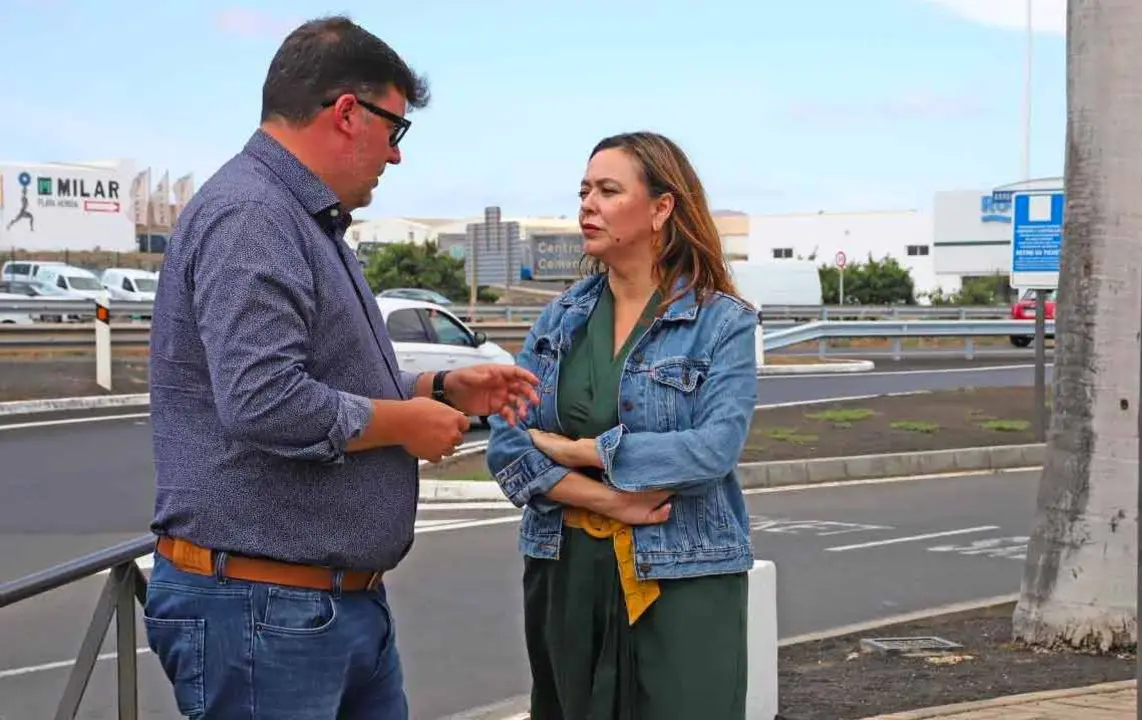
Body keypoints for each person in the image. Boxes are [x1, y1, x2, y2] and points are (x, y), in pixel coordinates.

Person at [144, 16, 539, 720]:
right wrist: (404, 422)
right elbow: (262, 401)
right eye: (396, 131)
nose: (395, 157)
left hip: (312, 604)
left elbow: (315, 380)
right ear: (348, 112)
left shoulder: (298, 217)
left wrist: (439, 388)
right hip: (267, 610)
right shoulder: (253, 216)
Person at [485, 131, 760, 719]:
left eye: (608, 190)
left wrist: (584, 451)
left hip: (683, 574)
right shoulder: (560, 320)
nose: (587, 204)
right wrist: (614, 502)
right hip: (566, 573)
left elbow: (714, 450)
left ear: (662, 208)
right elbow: (507, 441)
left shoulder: (722, 323)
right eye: (584, 190)